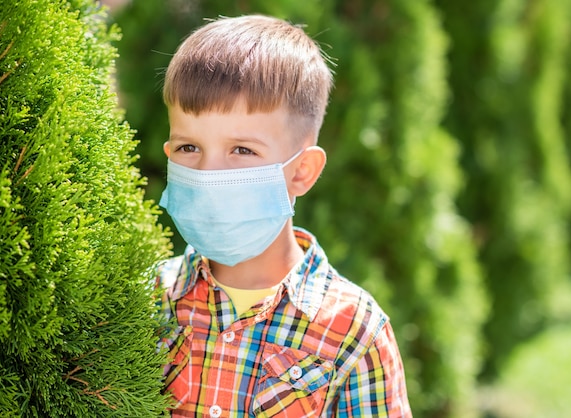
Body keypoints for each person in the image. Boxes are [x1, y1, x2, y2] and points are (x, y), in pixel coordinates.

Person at [155, 15, 412, 417]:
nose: (207, 174)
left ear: (301, 172)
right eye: (189, 147)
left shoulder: (354, 332)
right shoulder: (150, 298)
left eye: (242, 150)